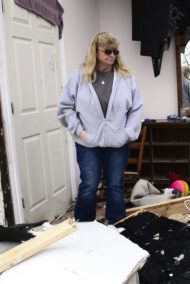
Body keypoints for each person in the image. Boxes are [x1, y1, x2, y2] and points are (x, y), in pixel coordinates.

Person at [57, 32, 143, 225]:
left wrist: (127, 133)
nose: (112, 55)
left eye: (115, 51)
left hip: (118, 143)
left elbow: (137, 109)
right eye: (107, 51)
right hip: (87, 143)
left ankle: (117, 226)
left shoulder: (126, 77)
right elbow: (65, 108)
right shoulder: (80, 77)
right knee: (89, 184)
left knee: (115, 185)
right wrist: (80, 132)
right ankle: (84, 227)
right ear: (95, 52)